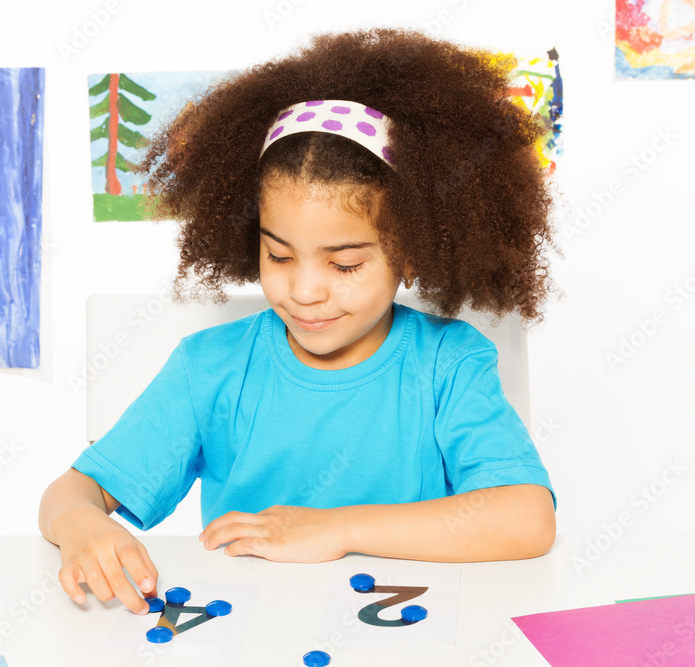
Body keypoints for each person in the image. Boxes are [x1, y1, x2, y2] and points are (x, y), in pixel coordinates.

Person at [39, 28, 558, 615]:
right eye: (279, 256)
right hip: (248, 631)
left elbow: (528, 517)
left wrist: (336, 530)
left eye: (345, 263)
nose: (305, 290)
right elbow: (71, 493)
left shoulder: (448, 363)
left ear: (411, 252)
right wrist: (82, 525)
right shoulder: (210, 367)